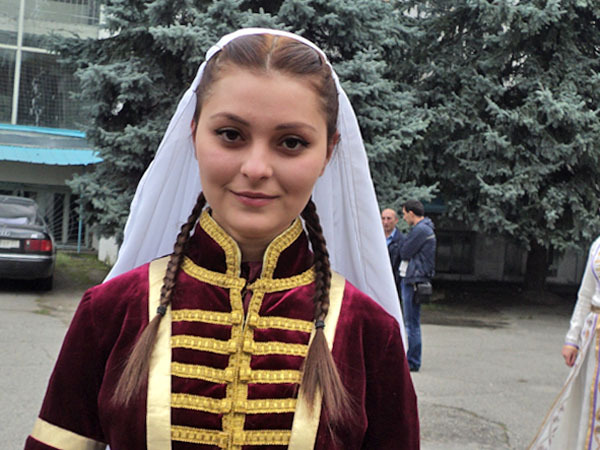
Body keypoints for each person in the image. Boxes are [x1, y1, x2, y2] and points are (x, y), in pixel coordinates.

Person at [25, 28, 419, 449]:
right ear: (194, 134)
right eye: (231, 134)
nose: (256, 168)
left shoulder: (370, 333)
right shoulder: (111, 312)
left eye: (291, 142)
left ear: (328, 152)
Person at [529, 237, 600, 449]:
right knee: (589, 402)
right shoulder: (598, 246)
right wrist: (572, 339)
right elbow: (585, 294)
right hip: (594, 337)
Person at [398, 199, 436, 372]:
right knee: (412, 321)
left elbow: (404, 252)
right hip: (415, 278)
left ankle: (412, 361)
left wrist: (404, 245)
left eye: (404, 214)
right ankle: (412, 359)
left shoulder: (420, 230)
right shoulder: (424, 229)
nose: (404, 217)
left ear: (411, 213)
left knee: (411, 323)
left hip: (413, 280)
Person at [382, 208, 402, 296]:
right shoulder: (375, 239)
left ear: (396, 220)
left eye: (389, 219)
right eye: (383, 218)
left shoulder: (401, 240)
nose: (385, 222)